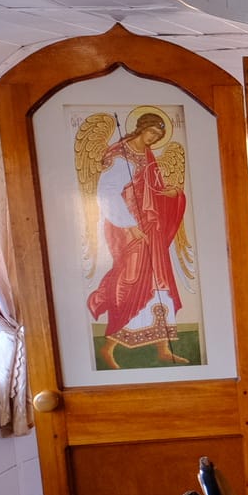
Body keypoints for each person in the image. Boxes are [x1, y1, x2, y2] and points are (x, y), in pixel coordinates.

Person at [85, 111, 189, 370]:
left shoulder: (148, 156)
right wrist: (130, 227)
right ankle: (108, 348)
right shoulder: (121, 156)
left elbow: (151, 192)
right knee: (130, 281)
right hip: (128, 228)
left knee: (160, 282)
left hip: (151, 229)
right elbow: (108, 193)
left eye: (158, 135)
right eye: (151, 132)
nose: (153, 138)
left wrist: (171, 193)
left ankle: (163, 349)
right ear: (141, 128)